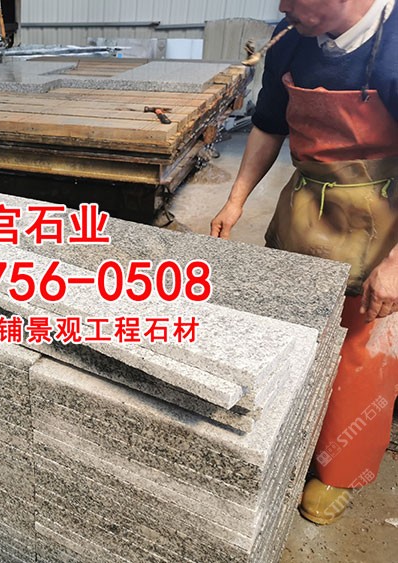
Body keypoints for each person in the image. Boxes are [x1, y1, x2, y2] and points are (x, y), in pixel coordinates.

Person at [210, 0, 398, 525]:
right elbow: (269, 125)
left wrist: (396, 264)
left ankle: (342, 468)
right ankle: (289, 429)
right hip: (307, 205)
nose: (283, 7)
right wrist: (236, 201)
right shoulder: (291, 35)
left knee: (361, 342)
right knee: (295, 328)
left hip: (381, 213)